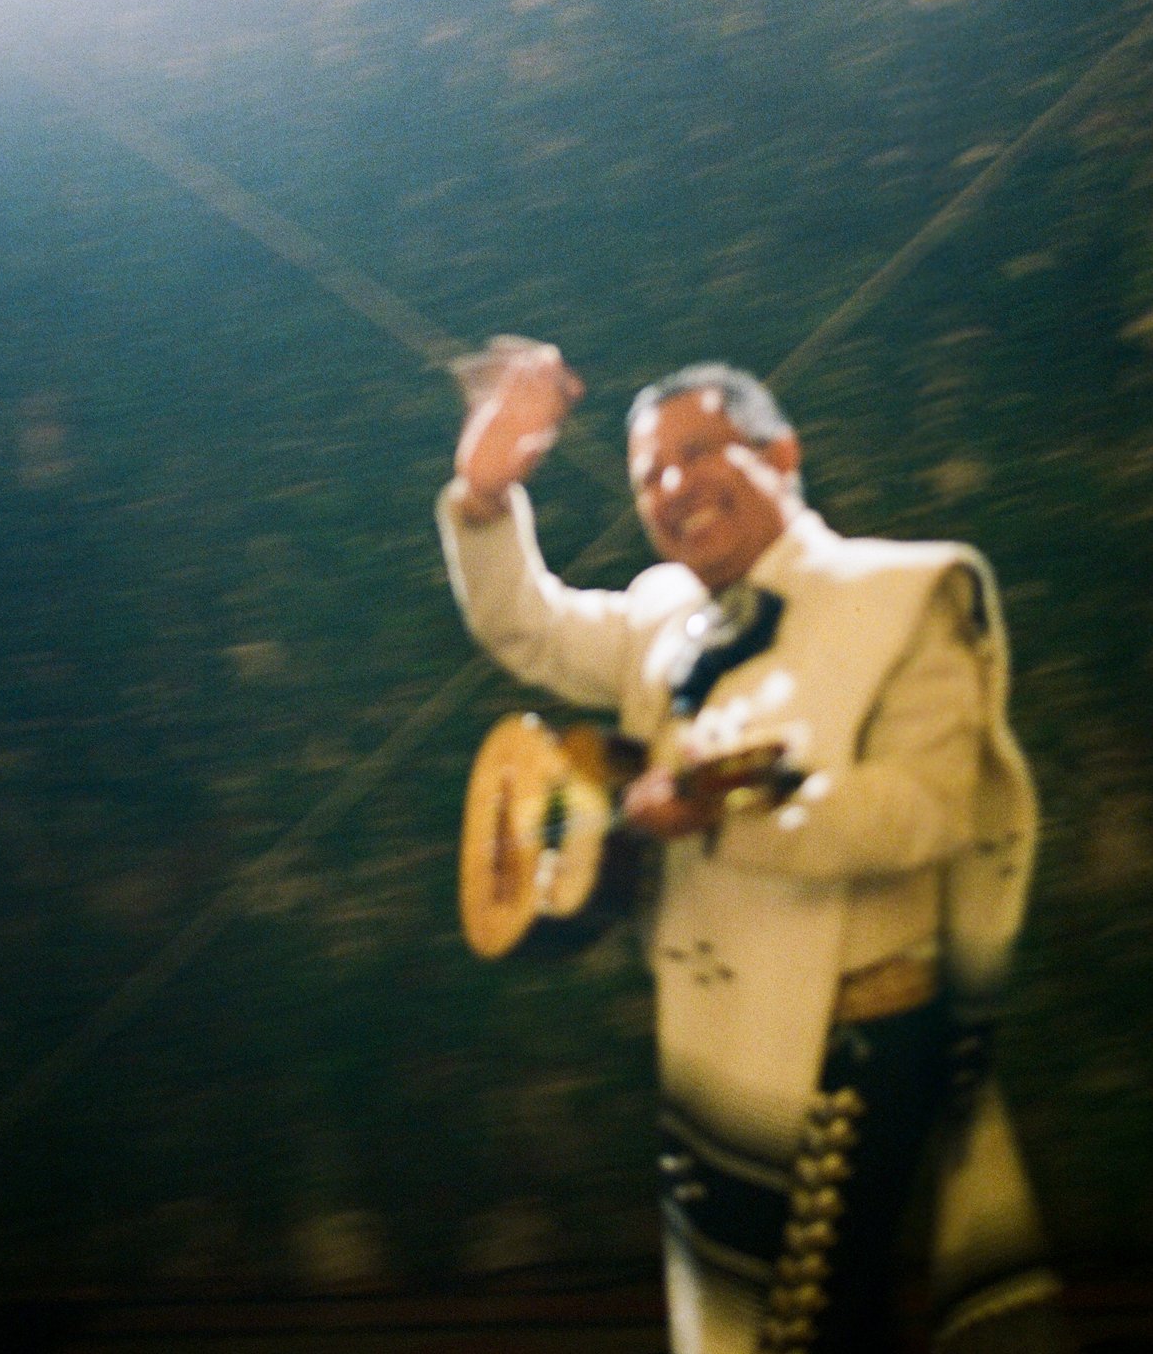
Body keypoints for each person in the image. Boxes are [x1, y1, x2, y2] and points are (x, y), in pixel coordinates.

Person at [437, 337, 1064, 1354]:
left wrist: (733, 815)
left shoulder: (905, 591)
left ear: (780, 455)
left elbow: (927, 809)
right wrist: (481, 489)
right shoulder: (657, 614)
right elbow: (529, 628)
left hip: (848, 1046)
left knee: (800, 1330)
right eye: (649, 475)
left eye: (698, 454)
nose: (672, 486)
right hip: (708, 1048)